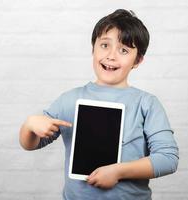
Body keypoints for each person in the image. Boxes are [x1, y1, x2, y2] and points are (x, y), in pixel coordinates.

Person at [19, 9, 179, 200]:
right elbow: (31, 144)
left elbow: (168, 159)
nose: (111, 56)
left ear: (137, 60)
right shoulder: (69, 99)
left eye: (124, 50)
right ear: (93, 48)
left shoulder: (147, 104)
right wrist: (29, 126)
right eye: (104, 45)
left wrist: (119, 171)